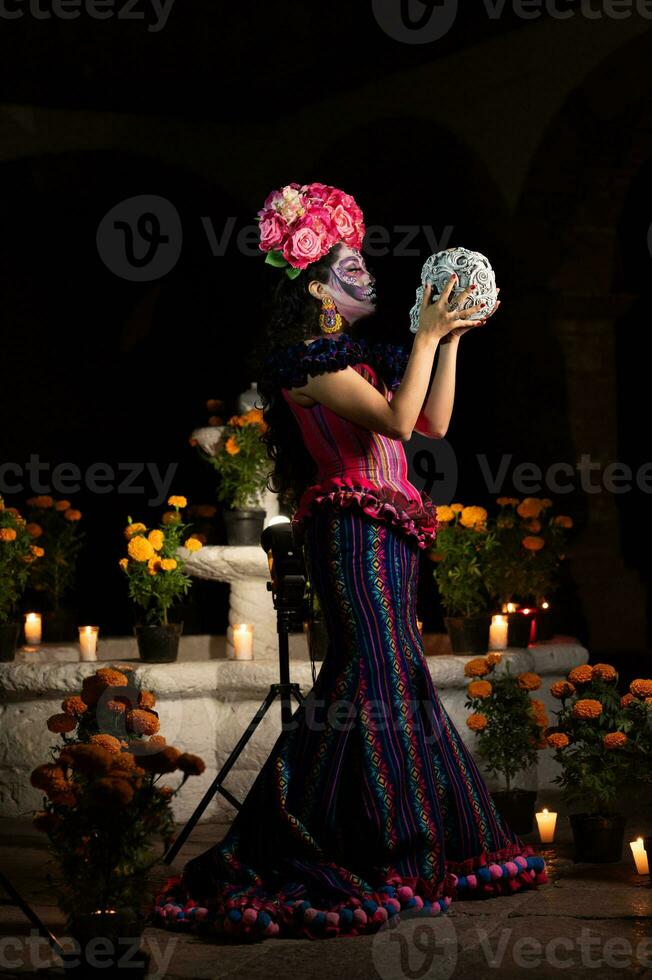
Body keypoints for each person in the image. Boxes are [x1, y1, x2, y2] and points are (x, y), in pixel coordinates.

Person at [154, 183, 547, 941]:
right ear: (315, 283)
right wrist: (424, 335)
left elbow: (431, 423)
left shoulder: (354, 361)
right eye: (351, 266)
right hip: (351, 534)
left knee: (382, 679)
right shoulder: (304, 362)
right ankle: (345, 839)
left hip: (390, 533)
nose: (367, 275)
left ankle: (378, 832)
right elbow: (399, 420)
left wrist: (453, 334)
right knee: (370, 677)